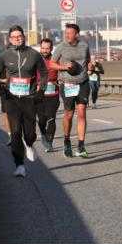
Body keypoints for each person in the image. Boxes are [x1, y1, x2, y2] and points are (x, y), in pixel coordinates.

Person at [0, 25, 48, 177]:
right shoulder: (5, 56)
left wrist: (41, 90)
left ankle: (29, 144)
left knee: (29, 134)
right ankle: (19, 165)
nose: (17, 39)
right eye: (14, 37)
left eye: (19, 36)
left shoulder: (34, 54)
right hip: (12, 98)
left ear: (24, 37)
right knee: (15, 132)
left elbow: (44, 72)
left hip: (29, 98)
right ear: (10, 39)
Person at [51, 23, 92, 158]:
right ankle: (67, 141)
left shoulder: (84, 46)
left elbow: (88, 60)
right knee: (69, 114)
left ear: (77, 34)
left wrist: (91, 66)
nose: (67, 35)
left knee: (81, 112)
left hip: (83, 83)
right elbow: (52, 63)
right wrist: (64, 67)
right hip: (67, 84)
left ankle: (81, 145)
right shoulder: (61, 47)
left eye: (70, 33)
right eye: (66, 32)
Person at [36, 38, 62, 152]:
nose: (45, 50)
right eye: (43, 48)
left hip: (53, 95)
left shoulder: (56, 60)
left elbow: (62, 72)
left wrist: (60, 81)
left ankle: (49, 142)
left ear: (51, 49)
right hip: (39, 95)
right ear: (40, 48)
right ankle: (43, 133)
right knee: (41, 120)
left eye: (47, 48)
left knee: (51, 118)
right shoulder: (36, 60)